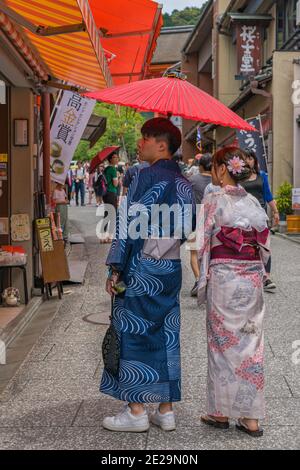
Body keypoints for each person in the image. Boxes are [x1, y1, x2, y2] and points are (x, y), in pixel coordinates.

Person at [101, 118, 195, 433]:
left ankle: (137, 410)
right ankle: (166, 410)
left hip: (141, 269)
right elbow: (187, 227)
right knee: (167, 333)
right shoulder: (183, 181)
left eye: (144, 138)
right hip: (170, 267)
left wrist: (115, 268)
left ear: (160, 143)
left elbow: (129, 226)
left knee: (134, 331)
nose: (139, 144)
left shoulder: (144, 177)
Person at [198, 146, 270, 438]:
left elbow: (202, 242)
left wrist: (202, 279)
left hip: (224, 279)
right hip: (251, 276)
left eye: (215, 166)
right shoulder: (253, 201)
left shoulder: (213, 198)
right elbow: (264, 246)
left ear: (223, 168)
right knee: (252, 346)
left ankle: (219, 412)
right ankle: (251, 418)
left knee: (221, 344)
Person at [241, 148, 279, 292]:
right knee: (247, 246)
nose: (248, 161)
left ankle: (266, 278)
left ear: (254, 160)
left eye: (251, 158)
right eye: (245, 158)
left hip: (260, 216)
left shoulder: (261, 175)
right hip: (243, 217)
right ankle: (248, 276)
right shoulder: (238, 177)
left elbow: (268, 195)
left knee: (265, 246)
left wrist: (275, 212)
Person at [187, 153, 213, 297]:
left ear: (200, 166)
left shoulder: (191, 180)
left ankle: (198, 280)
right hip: (213, 220)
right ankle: (209, 280)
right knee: (211, 252)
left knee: (193, 252)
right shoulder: (218, 181)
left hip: (194, 218)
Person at [101, 152, 119, 242]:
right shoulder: (112, 169)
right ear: (110, 159)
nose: (117, 159)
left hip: (105, 193)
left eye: (117, 157)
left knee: (107, 214)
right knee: (113, 214)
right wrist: (118, 177)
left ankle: (103, 235)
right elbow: (115, 184)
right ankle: (110, 236)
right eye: (114, 157)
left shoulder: (106, 169)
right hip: (111, 192)